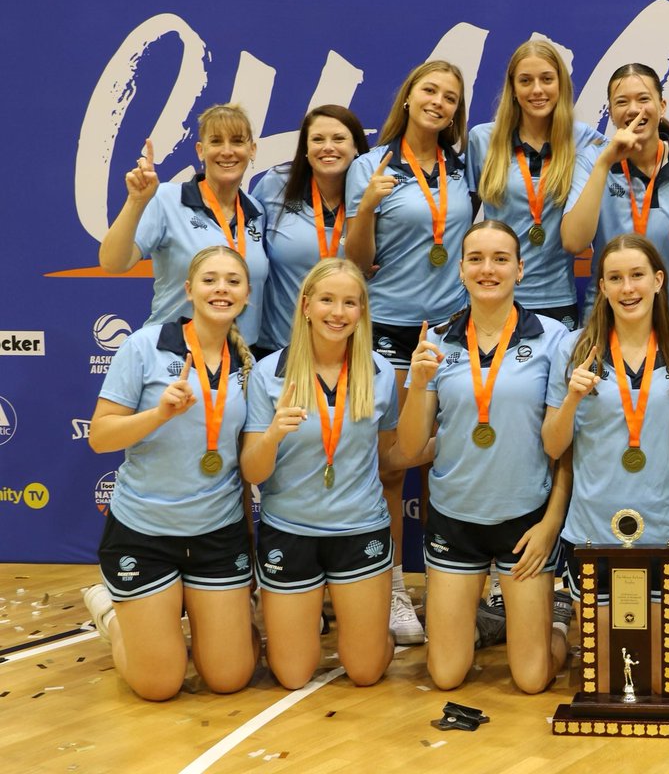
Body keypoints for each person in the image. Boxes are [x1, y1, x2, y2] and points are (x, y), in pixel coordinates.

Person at [397, 220, 573, 693]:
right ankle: (493, 622)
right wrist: (416, 383)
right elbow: (410, 449)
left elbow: (564, 450)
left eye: (500, 259)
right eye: (476, 259)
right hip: (455, 518)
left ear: (520, 268)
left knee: (533, 679)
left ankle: (556, 623)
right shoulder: (436, 340)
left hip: (525, 521)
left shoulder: (555, 339)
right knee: (446, 675)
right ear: (460, 270)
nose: (488, 269)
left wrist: (550, 525)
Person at [82, 246, 258, 701]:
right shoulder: (144, 345)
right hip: (144, 531)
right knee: (159, 685)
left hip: (217, 534)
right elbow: (100, 437)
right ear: (188, 290)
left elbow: (243, 463)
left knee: (229, 678)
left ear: (247, 295)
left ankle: (199, 621)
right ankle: (113, 613)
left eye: (233, 281)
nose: (222, 288)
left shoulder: (249, 365)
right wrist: (158, 414)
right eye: (210, 279)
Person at [344, 61, 473, 645]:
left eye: (450, 97)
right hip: (389, 330)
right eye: (429, 90)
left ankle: (477, 581)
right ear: (408, 95)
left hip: (451, 329)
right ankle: (394, 586)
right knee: (394, 466)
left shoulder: (465, 164)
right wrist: (367, 204)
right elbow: (355, 257)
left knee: (465, 456)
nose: (438, 103)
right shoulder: (370, 166)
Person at [240, 258, 402, 688]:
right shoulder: (268, 373)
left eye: (350, 302)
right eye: (327, 300)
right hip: (290, 530)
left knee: (366, 671)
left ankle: (371, 627)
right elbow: (254, 471)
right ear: (306, 306)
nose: (338, 312)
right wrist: (273, 434)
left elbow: (388, 455)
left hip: (359, 528)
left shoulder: (380, 371)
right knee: (292, 675)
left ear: (362, 312)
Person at [543, 234, 669, 691]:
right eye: (615, 278)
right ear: (603, 288)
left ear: (658, 281)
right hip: (593, 529)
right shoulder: (573, 349)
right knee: (609, 682)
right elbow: (553, 446)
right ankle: (559, 623)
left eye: (637, 275)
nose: (627, 288)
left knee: (662, 682)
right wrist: (571, 398)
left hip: (661, 526)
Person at [560, 63, 669, 335]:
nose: (634, 109)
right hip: (608, 322)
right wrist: (604, 163)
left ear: (662, 105)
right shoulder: (593, 162)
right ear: (610, 111)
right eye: (622, 102)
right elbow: (574, 241)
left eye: (644, 99)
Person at [99, 104, 270, 346]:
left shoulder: (257, 211)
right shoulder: (167, 199)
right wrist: (136, 202)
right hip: (173, 355)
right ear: (201, 150)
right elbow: (113, 263)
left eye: (237, 141)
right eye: (216, 141)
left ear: (252, 150)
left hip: (239, 365)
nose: (227, 151)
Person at [467, 40, 607, 331]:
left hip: (558, 298)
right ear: (513, 89)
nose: (537, 90)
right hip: (494, 295)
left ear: (561, 85)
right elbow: (458, 218)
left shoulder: (583, 139)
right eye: (526, 81)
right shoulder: (483, 140)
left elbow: (638, 148)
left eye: (546, 79)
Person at [251, 105, 370, 355]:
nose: (328, 147)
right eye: (317, 139)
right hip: (277, 349)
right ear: (305, 149)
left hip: (346, 353)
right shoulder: (276, 185)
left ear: (356, 147)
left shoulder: (372, 196)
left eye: (339, 138)